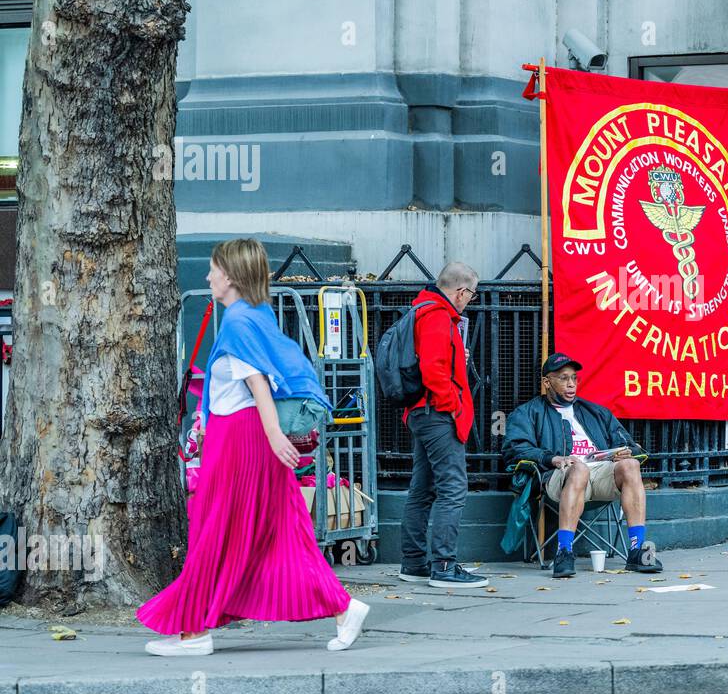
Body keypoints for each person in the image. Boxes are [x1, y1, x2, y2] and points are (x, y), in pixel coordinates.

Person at [137, 239, 369, 655]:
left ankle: (194, 631)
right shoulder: (254, 315)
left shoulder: (239, 322)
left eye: (213, 269)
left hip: (241, 441)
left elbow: (257, 382)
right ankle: (342, 608)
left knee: (214, 530)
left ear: (230, 276)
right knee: (281, 532)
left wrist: (274, 436)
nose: (207, 277)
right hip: (247, 437)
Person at [504, 353, 664, 579]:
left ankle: (637, 551)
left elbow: (628, 443)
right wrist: (553, 458)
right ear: (547, 382)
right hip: (558, 476)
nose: (571, 384)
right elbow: (515, 449)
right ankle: (564, 552)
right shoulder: (528, 413)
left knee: (630, 466)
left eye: (574, 378)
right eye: (563, 378)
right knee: (578, 468)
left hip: (600, 473)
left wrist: (627, 452)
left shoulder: (595, 412)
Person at [398, 261, 487, 587]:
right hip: (437, 414)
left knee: (422, 489)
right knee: (452, 489)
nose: (468, 301)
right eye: (471, 295)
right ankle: (445, 566)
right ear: (462, 291)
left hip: (422, 413)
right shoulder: (437, 315)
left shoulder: (422, 310)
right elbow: (434, 372)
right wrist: (452, 407)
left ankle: (413, 563)